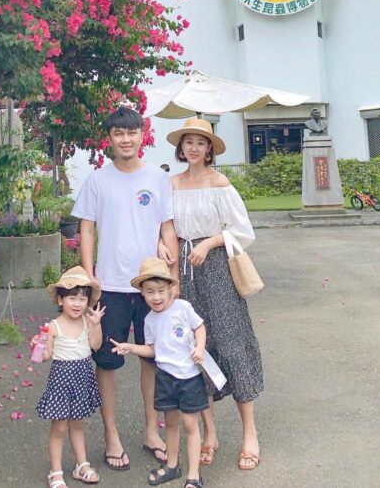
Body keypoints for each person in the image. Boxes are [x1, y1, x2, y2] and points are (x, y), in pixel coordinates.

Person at [71, 106, 179, 472]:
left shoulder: (157, 178)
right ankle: (112, 434)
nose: (125, 139)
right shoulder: (98, 181)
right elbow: (86, 229)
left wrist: (171, 272)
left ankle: (152, 430)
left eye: (131, 132)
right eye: (118, 133)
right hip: (110, 287)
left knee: (151, 358)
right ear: (110, 139)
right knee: (108, 362)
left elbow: (167, 227)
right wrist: (89, 277)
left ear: (141, 135)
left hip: (151, 286)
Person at [162, 117, 263, 472]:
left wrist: (209, 241)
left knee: (232, 343)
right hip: (183, 273)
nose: (193, 148)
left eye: (200, 143)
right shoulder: (170, 185)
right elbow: (164, 226)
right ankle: (210, 433)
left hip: (216, 268)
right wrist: (165, 247)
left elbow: (243, 230)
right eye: (188, 142)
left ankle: (250, 433)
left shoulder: (220, 183)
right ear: (181, 147)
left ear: (209, 150)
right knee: (195, 351)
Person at [111, 257, 207, 488]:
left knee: (191, 425)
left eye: (161, 290)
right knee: (171, 423)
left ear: (171, 289)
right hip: (165, 378)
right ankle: (172, 466)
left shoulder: (183, 308)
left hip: (189, 377)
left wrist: (200, 347)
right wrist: (131, 347)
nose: (156, 297)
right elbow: (153, 350)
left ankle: (194, 475)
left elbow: (199, 327)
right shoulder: (149, 319)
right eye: (150, 292)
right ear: (142, 294)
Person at [35, 266, 105, 488]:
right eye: (72, 298)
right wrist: (39, 346)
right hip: (61, 381)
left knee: (77, 424)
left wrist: (96, 325)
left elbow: (95, 346)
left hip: (82, 377)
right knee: (59, 427)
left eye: (82, 299)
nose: (77, 303)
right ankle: (55, 471)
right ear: (60, 300)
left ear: (88, 302)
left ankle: (81, 464)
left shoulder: (86, 322)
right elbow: (45, 356)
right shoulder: (53, 326)